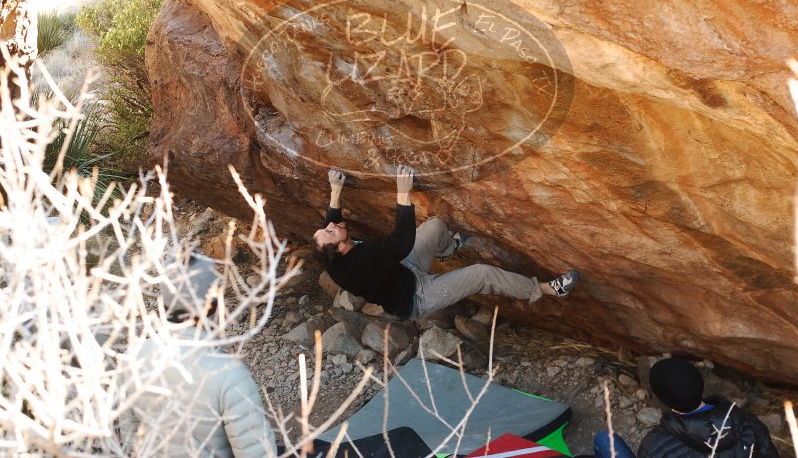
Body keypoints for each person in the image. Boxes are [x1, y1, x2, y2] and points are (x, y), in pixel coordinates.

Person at [312, 166, 581, 320]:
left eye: (327, 227)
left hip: (402, 269)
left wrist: (336, 190)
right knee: (481, 273)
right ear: (342, 247)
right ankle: (547, 289)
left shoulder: (334, 256)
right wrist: (403, 193)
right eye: (331, 231)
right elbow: (401, 241)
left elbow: (331, 224)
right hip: (416, 297)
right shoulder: (363, 261)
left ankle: (447, 250)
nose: (332, 225)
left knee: (436, 226)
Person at [119, 253, 277, 457]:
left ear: (164, 305)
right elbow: (257, 453)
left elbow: (130, 441)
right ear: (211, 305)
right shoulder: (229, 375)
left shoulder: (132, 358)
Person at [592, 358, 779, 458]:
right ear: (700, 384)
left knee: (604, 439)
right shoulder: (749, 423)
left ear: (663, 400)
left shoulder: (656, 446)